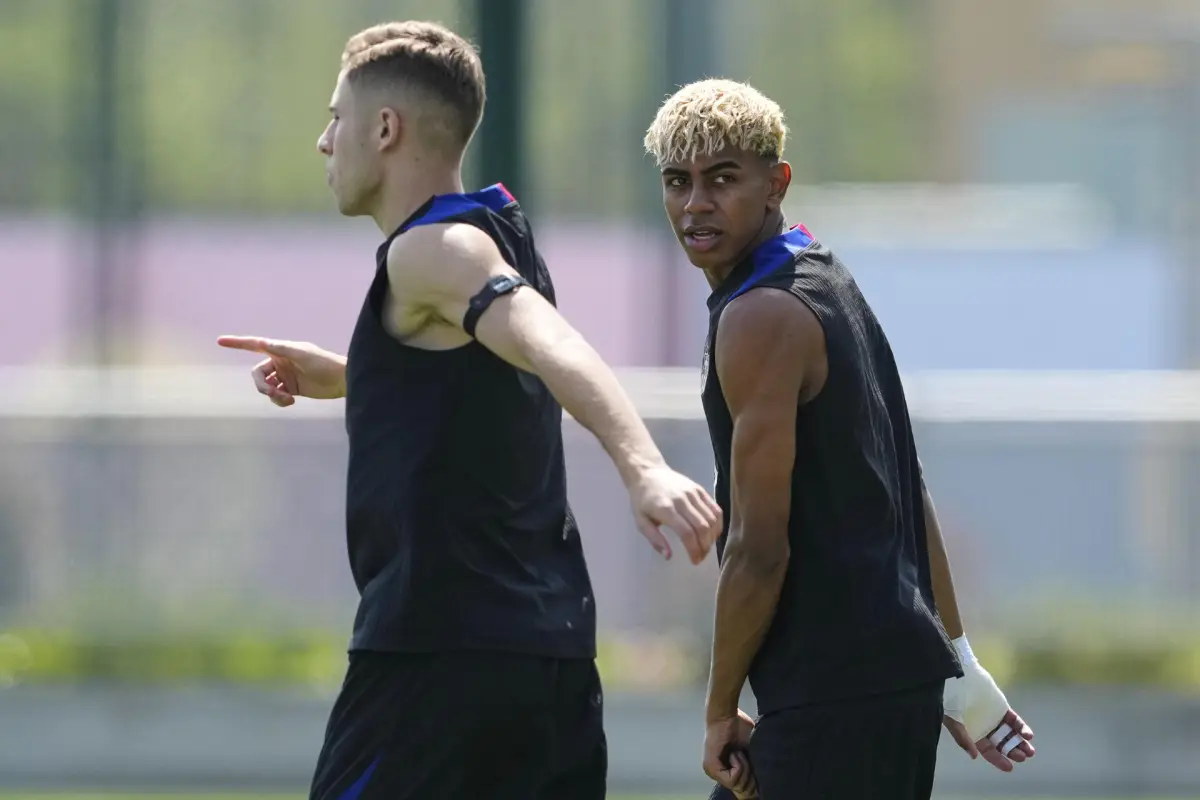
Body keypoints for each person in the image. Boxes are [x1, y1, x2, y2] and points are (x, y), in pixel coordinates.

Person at [218, 22, 723, 800]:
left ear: (385, 129)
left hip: (439, 665)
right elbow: (488, 374)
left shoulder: (432, 252)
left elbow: (553, 343)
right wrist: (361, 375)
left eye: (335, 117)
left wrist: (643, 466)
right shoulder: (497, 231)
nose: (325, 142)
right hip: (547, 661)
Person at [642, 79, 1037, 800]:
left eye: (723, 179)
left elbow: (759, 549)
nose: (695, 204)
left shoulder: (760, 316)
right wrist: (960, 665)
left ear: (775, 183)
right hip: (877, 689)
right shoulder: (825, 276)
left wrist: (719, 708)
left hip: (839, 699)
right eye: (678, 182)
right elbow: (905, 491)